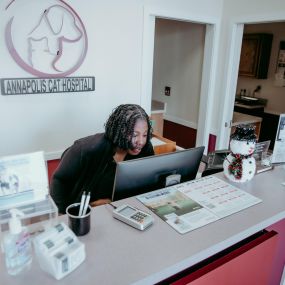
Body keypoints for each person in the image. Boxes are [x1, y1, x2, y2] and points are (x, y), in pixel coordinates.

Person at [50, 104, 154, 214]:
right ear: (120, 131)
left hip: (123, 209)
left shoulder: (145, 149)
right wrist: (65, 215)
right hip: (87, 213)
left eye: (144, 135)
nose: (141, 141)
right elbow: (59, 180)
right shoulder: (86, 149)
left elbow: (148, 182)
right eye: (134, 135)